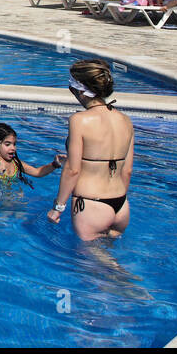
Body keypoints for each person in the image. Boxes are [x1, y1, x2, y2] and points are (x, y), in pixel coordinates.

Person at [48, 59, 134, 241]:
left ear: (81, 90)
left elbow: (73, 169)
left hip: (91, 205)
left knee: (91, 266)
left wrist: (58, 208)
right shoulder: (125, 120)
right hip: (121, 205)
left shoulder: (79, 120)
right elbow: (127, 171)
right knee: (106, 259)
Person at [0, 123, 63, 187]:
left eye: (14, 144)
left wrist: (54, 164)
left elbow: (37, 172)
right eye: (7, 144)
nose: (13, 148)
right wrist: (0, 173)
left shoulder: (15, 163)